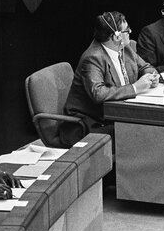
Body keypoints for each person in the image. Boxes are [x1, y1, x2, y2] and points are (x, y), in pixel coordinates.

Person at [62, 11, 159, 146]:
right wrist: (136, 87)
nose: (130, 32)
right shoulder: (93, 58)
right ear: (115, 36)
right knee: (142, 132)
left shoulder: (125, 48)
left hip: (117, 114)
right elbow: (98, 94)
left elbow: (146, 67)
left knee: (153, 126)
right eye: (127, 31)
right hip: (91, 124)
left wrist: (152, 76)